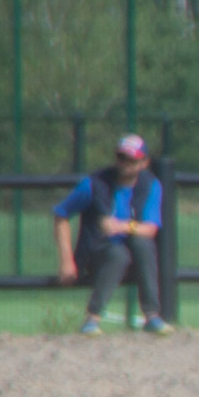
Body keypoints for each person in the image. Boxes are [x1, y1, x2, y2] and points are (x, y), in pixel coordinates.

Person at [54, 135, 168, 334]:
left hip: (135, 258)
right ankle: (93, 318)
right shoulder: (95, 184)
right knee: (118, 254)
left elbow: (150, 229)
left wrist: (122, 227)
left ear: (144, 163)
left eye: (132, 159)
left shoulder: (151, 185)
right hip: (97, 254)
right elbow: (61, 215)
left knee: (143, 244)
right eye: (122, 157)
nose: (125, 164)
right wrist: (66, 260)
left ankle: (152, 316)